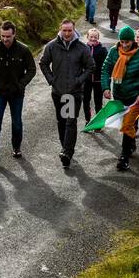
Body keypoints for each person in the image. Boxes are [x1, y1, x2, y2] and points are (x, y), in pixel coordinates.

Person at [38, 18, 93, 168]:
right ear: (60, 30)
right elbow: (43, 63)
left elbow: (90, 67)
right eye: (65, 30)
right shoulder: (52, 46)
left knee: (70, 121)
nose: (67, 33)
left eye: (70, 30)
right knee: (62, 121)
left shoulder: (82, 48)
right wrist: (51, 80)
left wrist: (78, 80)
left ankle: (67, 152)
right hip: (58, 91)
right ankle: (65, 148)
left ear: (74, 30)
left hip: (72, 92)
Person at [0, 21, 36, 163]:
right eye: (3, 36)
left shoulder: (24, 50)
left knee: (16, 122)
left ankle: (16, 147)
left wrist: (21, 84)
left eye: (8, 36)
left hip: (16, 93)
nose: (5, 39)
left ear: (14, 34)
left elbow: (31, 70)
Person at [101, 25, 139, 172]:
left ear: (133, 41)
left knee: (128, 124)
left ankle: (123, 158)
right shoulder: (113, 52)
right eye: (122, 42)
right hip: (119, 95)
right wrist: (105, 87)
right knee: (127, 124)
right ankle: (130, 143)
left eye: (127, 42)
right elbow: (105, 69)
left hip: (135, 96)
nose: (124, 45)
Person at [82, 27, 107, 122]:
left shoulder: (102, 49)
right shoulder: (83, 49)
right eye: (91, 36)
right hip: (86, 80)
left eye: (95, 37)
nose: (93, 39)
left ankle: (98, 122)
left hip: (98, 80)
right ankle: (87, 120)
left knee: (98, 102)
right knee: (86, 101)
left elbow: (106, 65)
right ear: (87, 37)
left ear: (98, 38)